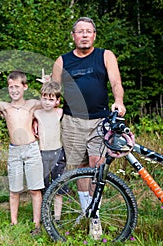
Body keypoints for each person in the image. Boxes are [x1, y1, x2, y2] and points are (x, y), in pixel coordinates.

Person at [52, 17, 126, 240]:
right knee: (79, 168)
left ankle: (96, 216)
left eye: (88, 31)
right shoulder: (62, 61)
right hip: (72, 121)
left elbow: (116, 83)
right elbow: (53, 92)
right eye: (80, 31)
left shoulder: (105, 55)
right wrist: (43, 115)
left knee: (97, 165)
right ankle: (86, 211)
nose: (84, 35)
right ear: (73, 36)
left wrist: (119, 101)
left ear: (94, 35)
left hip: (99, 120)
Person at [0, 63, 44, 236]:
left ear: (25, 87)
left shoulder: (32, 103)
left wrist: (47, 83)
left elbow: (50, 102)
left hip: (31, 150)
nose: (14, 90)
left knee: (35, 189)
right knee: (14, 190)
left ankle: (36, 224)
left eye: (17, 86)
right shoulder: (4, 107)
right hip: (14, 151)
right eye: (10, 87)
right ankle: (13, 223)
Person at [33, 80, 67, 220]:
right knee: (43, 186)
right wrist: (33, 123)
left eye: (51, 99)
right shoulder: (36, 113)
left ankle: (57, 217)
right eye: (44, 98)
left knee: (58, 187)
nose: (47, 102)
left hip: (58, 153)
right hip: (42, 153)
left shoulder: (60, 112)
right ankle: (44, 214)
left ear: (57, 101)